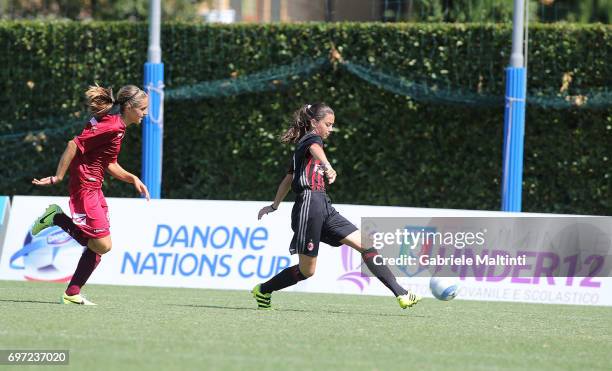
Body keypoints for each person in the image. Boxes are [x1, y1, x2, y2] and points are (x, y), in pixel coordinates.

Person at [253, 103, 421, 310]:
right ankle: (263, 290)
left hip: (323, 205)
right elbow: (314, 150)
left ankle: (402, 294)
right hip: (309, 206)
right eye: (328, 124)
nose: (331, 129)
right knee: (307, 271)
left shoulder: (303, 149)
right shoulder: (311, 139)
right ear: (314, 123)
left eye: (332, 125)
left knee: (366, 244)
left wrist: (274, 205)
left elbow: (288, 180)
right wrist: (327, 165)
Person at [31, 84, 150, 305]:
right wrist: (57, 177)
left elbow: (110, 163)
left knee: (99, 244)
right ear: (130, 107)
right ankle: (56, 218)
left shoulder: (117, 126)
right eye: (143, 108)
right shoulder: (113, 126)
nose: (145, 113)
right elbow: (73, 144)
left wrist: (132, 177)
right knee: (103, 245)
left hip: (94, 187)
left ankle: (72, 292)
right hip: (84, 186)